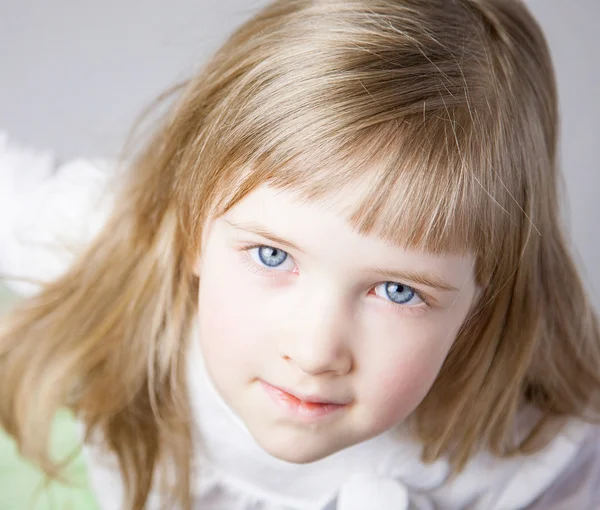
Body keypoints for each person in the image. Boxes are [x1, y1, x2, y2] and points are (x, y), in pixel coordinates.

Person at [1, 0, 599, 508]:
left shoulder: (534, 456)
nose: (314, 353)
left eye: (398, 290)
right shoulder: (111, 234)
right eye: (270, 256)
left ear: (482, 302)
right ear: (189, 227)